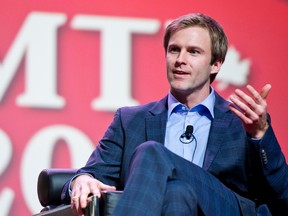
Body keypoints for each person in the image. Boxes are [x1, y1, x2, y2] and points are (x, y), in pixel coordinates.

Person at [61, 13, 288, 215]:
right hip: (175, 206)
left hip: (225, 209)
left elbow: (281, 193)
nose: (180, 60)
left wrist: (260, 135)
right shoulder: (130, 121)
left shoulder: (242, 120)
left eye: (193, 52)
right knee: (177, 193)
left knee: (152, 152)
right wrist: (81, 179)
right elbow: (92, 173)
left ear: (215, 65)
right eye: (174, 50)